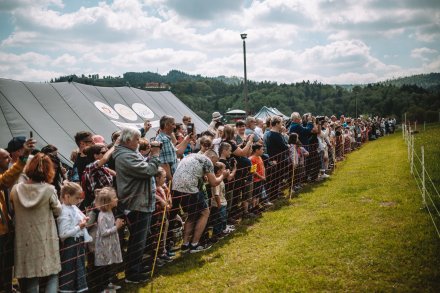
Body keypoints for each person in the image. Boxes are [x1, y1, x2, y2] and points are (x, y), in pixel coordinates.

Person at [112, 127, 161, 284]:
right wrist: (155, 156)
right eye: (136, 139)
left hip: (139, 201)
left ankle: (136, 267)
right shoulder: (125, 156)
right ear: (127, 141)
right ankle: (132, 273)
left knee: (140, 238)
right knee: (137, 240)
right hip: (136, 203)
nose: (139, 142)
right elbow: (148, 171)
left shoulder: (128, 153)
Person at [10, 152, 62, 292]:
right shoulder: (49, 190)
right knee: (52, 273)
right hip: (45, 237)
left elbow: (12, 208)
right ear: (48, 170)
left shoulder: (16, 189)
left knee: (30, 275)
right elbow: (58, 211)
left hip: (24, 238)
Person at [172, 150, 229, 253]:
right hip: (189, 188)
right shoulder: (207, 161)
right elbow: (214, 182)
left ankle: (185, 245)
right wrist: (223, 176)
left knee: (192, 215)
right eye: (214, 162)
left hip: (175, 187)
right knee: (205, 212)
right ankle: (195, 244)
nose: (214, 165)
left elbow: (191, 171)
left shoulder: (191, 156)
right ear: (211, 157)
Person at [0, 139, 35, 293]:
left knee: (6, 266)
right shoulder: (4, 178)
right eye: (6, 157)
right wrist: (24, 156)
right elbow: (8, 178)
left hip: (5, 230)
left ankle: (7, 288)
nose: (9, 160)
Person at [57, 182, 92, 293]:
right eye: (77, 198)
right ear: (67, 196)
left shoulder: (73, 207)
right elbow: (63, 234)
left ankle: (79, 289)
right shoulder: (63, 211)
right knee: (69, 269)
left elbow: (79, 217)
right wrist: (79, 227)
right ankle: (66, 290)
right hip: (71, 245)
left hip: (78, 244)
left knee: (79, 267)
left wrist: (84, 219)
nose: (79, 200)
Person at [94, 187, 124, 292]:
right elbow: (103, 232)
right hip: (104, 246)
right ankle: (102, 287)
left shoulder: (110, 212)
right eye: (114, 197)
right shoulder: (102, 216)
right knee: (103, 267)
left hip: (110, 244)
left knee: (108, 265)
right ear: (107, 202)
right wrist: (116, 226)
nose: (117, 199)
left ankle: (108, 284)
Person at [156, 115, 191, 180]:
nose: (175, 127)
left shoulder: (164, 138)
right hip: (171, 179)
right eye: (173, 124)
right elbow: (165, 164)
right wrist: (172, 180)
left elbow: (177, 153)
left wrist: (186, 140)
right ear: (166, 125)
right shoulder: (164, 140)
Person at [210, 162, 228, 242]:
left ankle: (220, 232)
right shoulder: (217, 182)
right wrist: (219, 205)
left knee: (222, 219)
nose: (225, 170)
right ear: (218, 172)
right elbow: (216, 195)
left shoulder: (220, 179)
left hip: (222, 203)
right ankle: (215, 235)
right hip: (218, 204)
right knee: (219, 219)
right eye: (223, 169)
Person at [249, 144, 266, 215]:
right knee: (255, 195)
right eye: (261, 149)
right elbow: (253, 171)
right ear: (256, 150)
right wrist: (261, 177)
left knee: (258, 194)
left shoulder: (259, 157)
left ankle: (257, 206)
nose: (263, 151)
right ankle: (253, 208)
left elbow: (263, 167)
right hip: (256, 180)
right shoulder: (252, 159)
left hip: (261, 179)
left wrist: (264, 175)